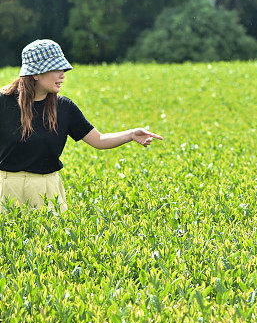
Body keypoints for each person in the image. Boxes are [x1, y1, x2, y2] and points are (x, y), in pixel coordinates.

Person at [0, 39, 162, 212]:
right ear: (35, 74)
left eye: (63, 69)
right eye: (56, 69)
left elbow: (99, 140)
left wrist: (131, 134)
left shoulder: (64, 107)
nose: (62, 74)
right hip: (7, 189)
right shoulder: (3, 102)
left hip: (47, 189)